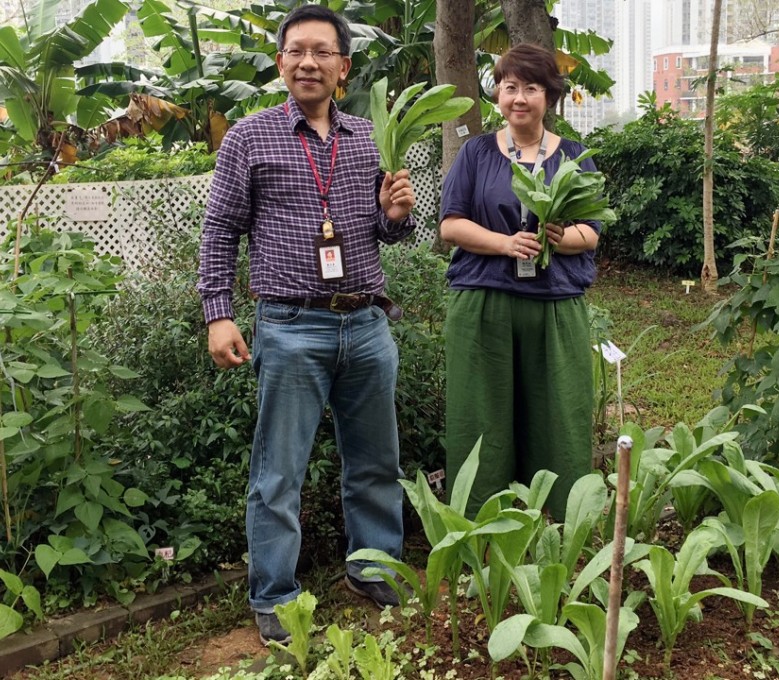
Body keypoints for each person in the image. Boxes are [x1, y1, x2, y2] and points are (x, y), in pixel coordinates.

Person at [197, 4, 415, 645]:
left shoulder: (366, 138)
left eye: (322, 52)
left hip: (366, 323)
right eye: (296, 51)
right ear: (280, 62)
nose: (308, 62)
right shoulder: (249, 137)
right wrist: (218, 314)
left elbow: (387, 235)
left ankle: (372, 567)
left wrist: (395, 214)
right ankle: (275, 594)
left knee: (376, 460)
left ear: (343, 67)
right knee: (279, 471)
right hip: (290, 326)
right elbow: (220, 232)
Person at [439, 43, 600, 521]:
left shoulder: (573, 157)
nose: (520, 98)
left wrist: (561, 237)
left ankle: (561, 524)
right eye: (510, 87)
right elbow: (450, 226)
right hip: (484, 303)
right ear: (498, 94)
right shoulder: (475, 153)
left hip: (554, 304)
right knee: (481, 418)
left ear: (549, 96)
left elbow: (591, 231)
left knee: (559, 417)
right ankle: (482, 526)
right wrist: (505, 243)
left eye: (531, 87)